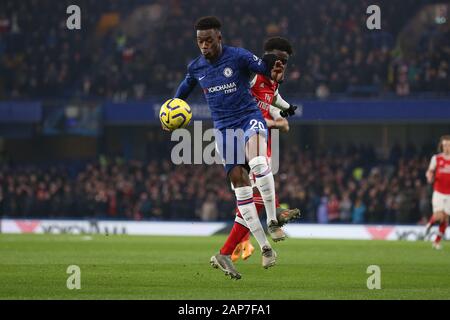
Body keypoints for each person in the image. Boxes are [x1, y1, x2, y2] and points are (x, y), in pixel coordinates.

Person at [172, 16, 297, 279]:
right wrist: (169, 112)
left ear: (219, 38)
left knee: (259, 163)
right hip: (224, 130)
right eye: (199, 41)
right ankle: (262, 247)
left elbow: (262, 68)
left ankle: (274, 221)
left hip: (248, 118)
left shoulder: (238, 56)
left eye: (208, 40)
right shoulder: (196, 67)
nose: (204, 45)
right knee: (241, 189)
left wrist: (272, 66)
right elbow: (180, 94)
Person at [216, 37, 301, 263]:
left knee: (254, 197)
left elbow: (274, 99)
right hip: (243, 138)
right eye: (277, 59)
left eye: (285, 61)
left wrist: (285, 109)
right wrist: (275, 122)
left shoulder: (273, 82)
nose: (281, 64)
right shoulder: (251, 76)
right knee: (255, 195)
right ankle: (273, 221)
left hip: (260, 138)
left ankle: (236, 248)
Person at [424, 135, 450, 250]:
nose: (446, 147)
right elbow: (430, 171)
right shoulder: (436, 158)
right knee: (439, 216)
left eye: (448, 145)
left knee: (445, 218)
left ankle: (436, 242)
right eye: (444, 145)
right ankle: (430, 223)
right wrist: (429, 176)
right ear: (441, 146)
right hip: (439, 191)